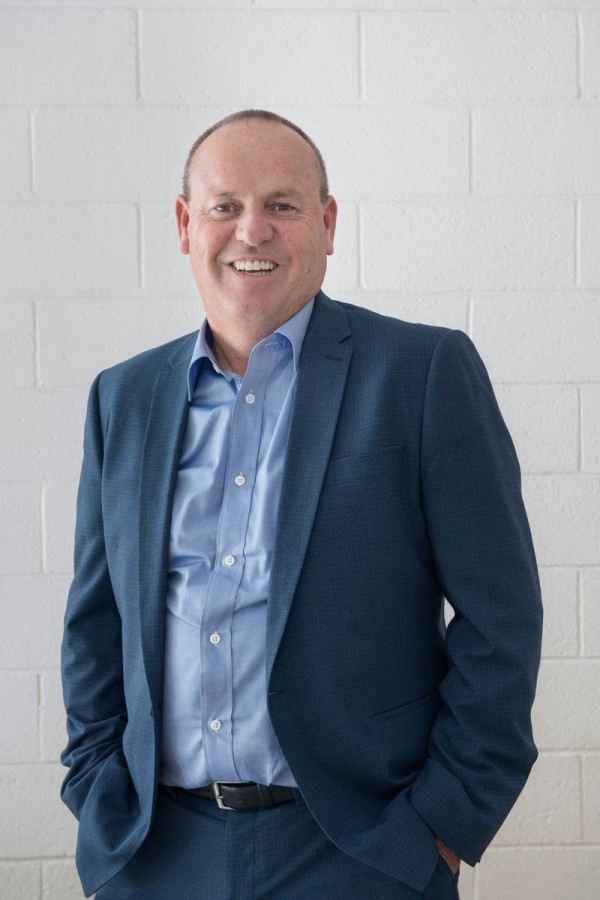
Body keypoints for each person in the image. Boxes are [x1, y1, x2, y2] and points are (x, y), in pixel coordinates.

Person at [61, 109, 543, 900]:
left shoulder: (421, 373)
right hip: (155, 853)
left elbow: (502, 617)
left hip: (360, 852)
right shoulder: (125, 398)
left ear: (326, 224)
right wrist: (95, 787)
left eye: (281, 205)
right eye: (225, 206)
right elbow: (94, 622)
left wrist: (441, 827)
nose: (251, 231)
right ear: (185, 225)